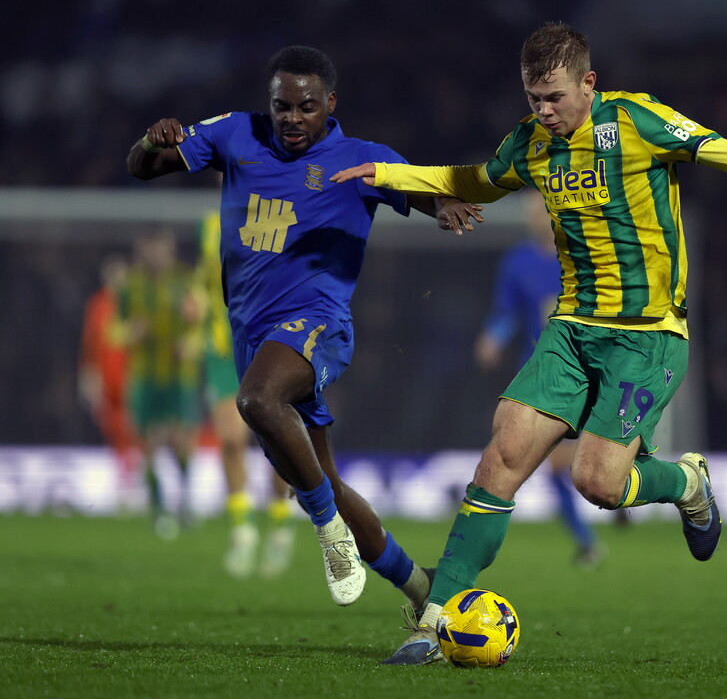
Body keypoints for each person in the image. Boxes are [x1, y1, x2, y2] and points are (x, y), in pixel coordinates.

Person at [332, 21, 727, 664]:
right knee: (502, 453)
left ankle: (687, 482)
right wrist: (391, 174)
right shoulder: (529, 143)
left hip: (648, 334)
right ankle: (434, 621)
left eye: (554, 97)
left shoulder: (635, 121)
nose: (544, 111)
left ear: (588, 83)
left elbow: (721, 151)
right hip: (573, 329)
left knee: (597, 482)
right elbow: (475, 179)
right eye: (534, 98)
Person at [127, 45, 483, 607]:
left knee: (256, 401)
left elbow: (415, 184)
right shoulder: (236, 133)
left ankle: (327, 530)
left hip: (318, 324)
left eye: (306, 107)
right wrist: (152, 142)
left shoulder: (359, 159)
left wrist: (439, 206)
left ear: (330, 103)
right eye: (283, 107)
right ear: (269, 103)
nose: (292, 118)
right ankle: (422, 588)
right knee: (324, 480)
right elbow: (142, 167)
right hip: (251, 336)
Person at [474, 190, 604, 567]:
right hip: (540, 374)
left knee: (586, 466)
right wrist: (493, 338)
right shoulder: (517, 262)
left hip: (586, 370)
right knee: (553, 465)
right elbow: (507, 311)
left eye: (541, 211)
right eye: (530, 213)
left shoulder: (583, 257)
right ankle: (588, 542)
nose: (535, 219)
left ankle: (620, 494)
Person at [196, 210, 296, 579]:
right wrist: (195, 302)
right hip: (222, 347)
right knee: (230, 440)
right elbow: (204, 279)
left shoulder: (278, 214)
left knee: (276, 444)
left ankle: (280, 525)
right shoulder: (210, 225)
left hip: (266, 342)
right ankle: (243, 531)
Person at [115, 230, 203, 539]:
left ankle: (185, 500)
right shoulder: (130, 286)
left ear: (171, 250)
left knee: (180, 439)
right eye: (152, 249)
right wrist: (131, 331)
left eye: (162, 249)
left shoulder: (186, 282)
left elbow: (202, 326)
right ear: (143, 250)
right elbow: (113, 330)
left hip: (180, 375)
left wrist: (191, 344)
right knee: (148, 442)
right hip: (144, 376)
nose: (157, 255)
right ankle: (158, 508)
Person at [78, 254, 140, 503]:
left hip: (133, 378)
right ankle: (124, 480)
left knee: (133, 429)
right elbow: (90, 343)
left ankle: (135, 479)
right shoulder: (98, 304)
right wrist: (88, 376)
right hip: (106, 380)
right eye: (111, 276)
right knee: (113, 430)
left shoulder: (135, 304)